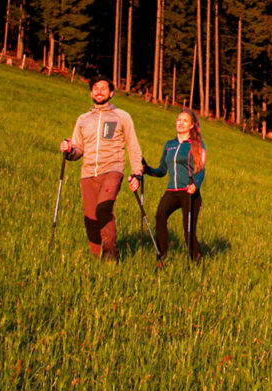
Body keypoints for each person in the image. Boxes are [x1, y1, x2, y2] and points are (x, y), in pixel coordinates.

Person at [59, 77, 145, 261]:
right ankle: (95, 257)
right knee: (90, 217)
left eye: (103, 88)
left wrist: (137, 172)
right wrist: (69, 150)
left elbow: (133, 146)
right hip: (88, 173)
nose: (99, 91)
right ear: (91, 93)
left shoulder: (122, 116)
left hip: (112, 169)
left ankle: (110, 255)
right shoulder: (83, 119)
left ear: (111, 93)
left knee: (103, 209)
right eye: (95, 88)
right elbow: (78, 150)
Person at [142, 108, 206, 263]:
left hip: (189, 192)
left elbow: (201, 170)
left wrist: (195, 185)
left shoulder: (197, 145)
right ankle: (161, 257)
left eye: (185, 121)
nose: (181, 123)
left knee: (188, 232)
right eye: (179, 120)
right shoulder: (169, 145)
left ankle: (197, 262)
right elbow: (162, 170)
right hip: (172, 191)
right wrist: (147, 169)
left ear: (192, 125)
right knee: (160, 217)